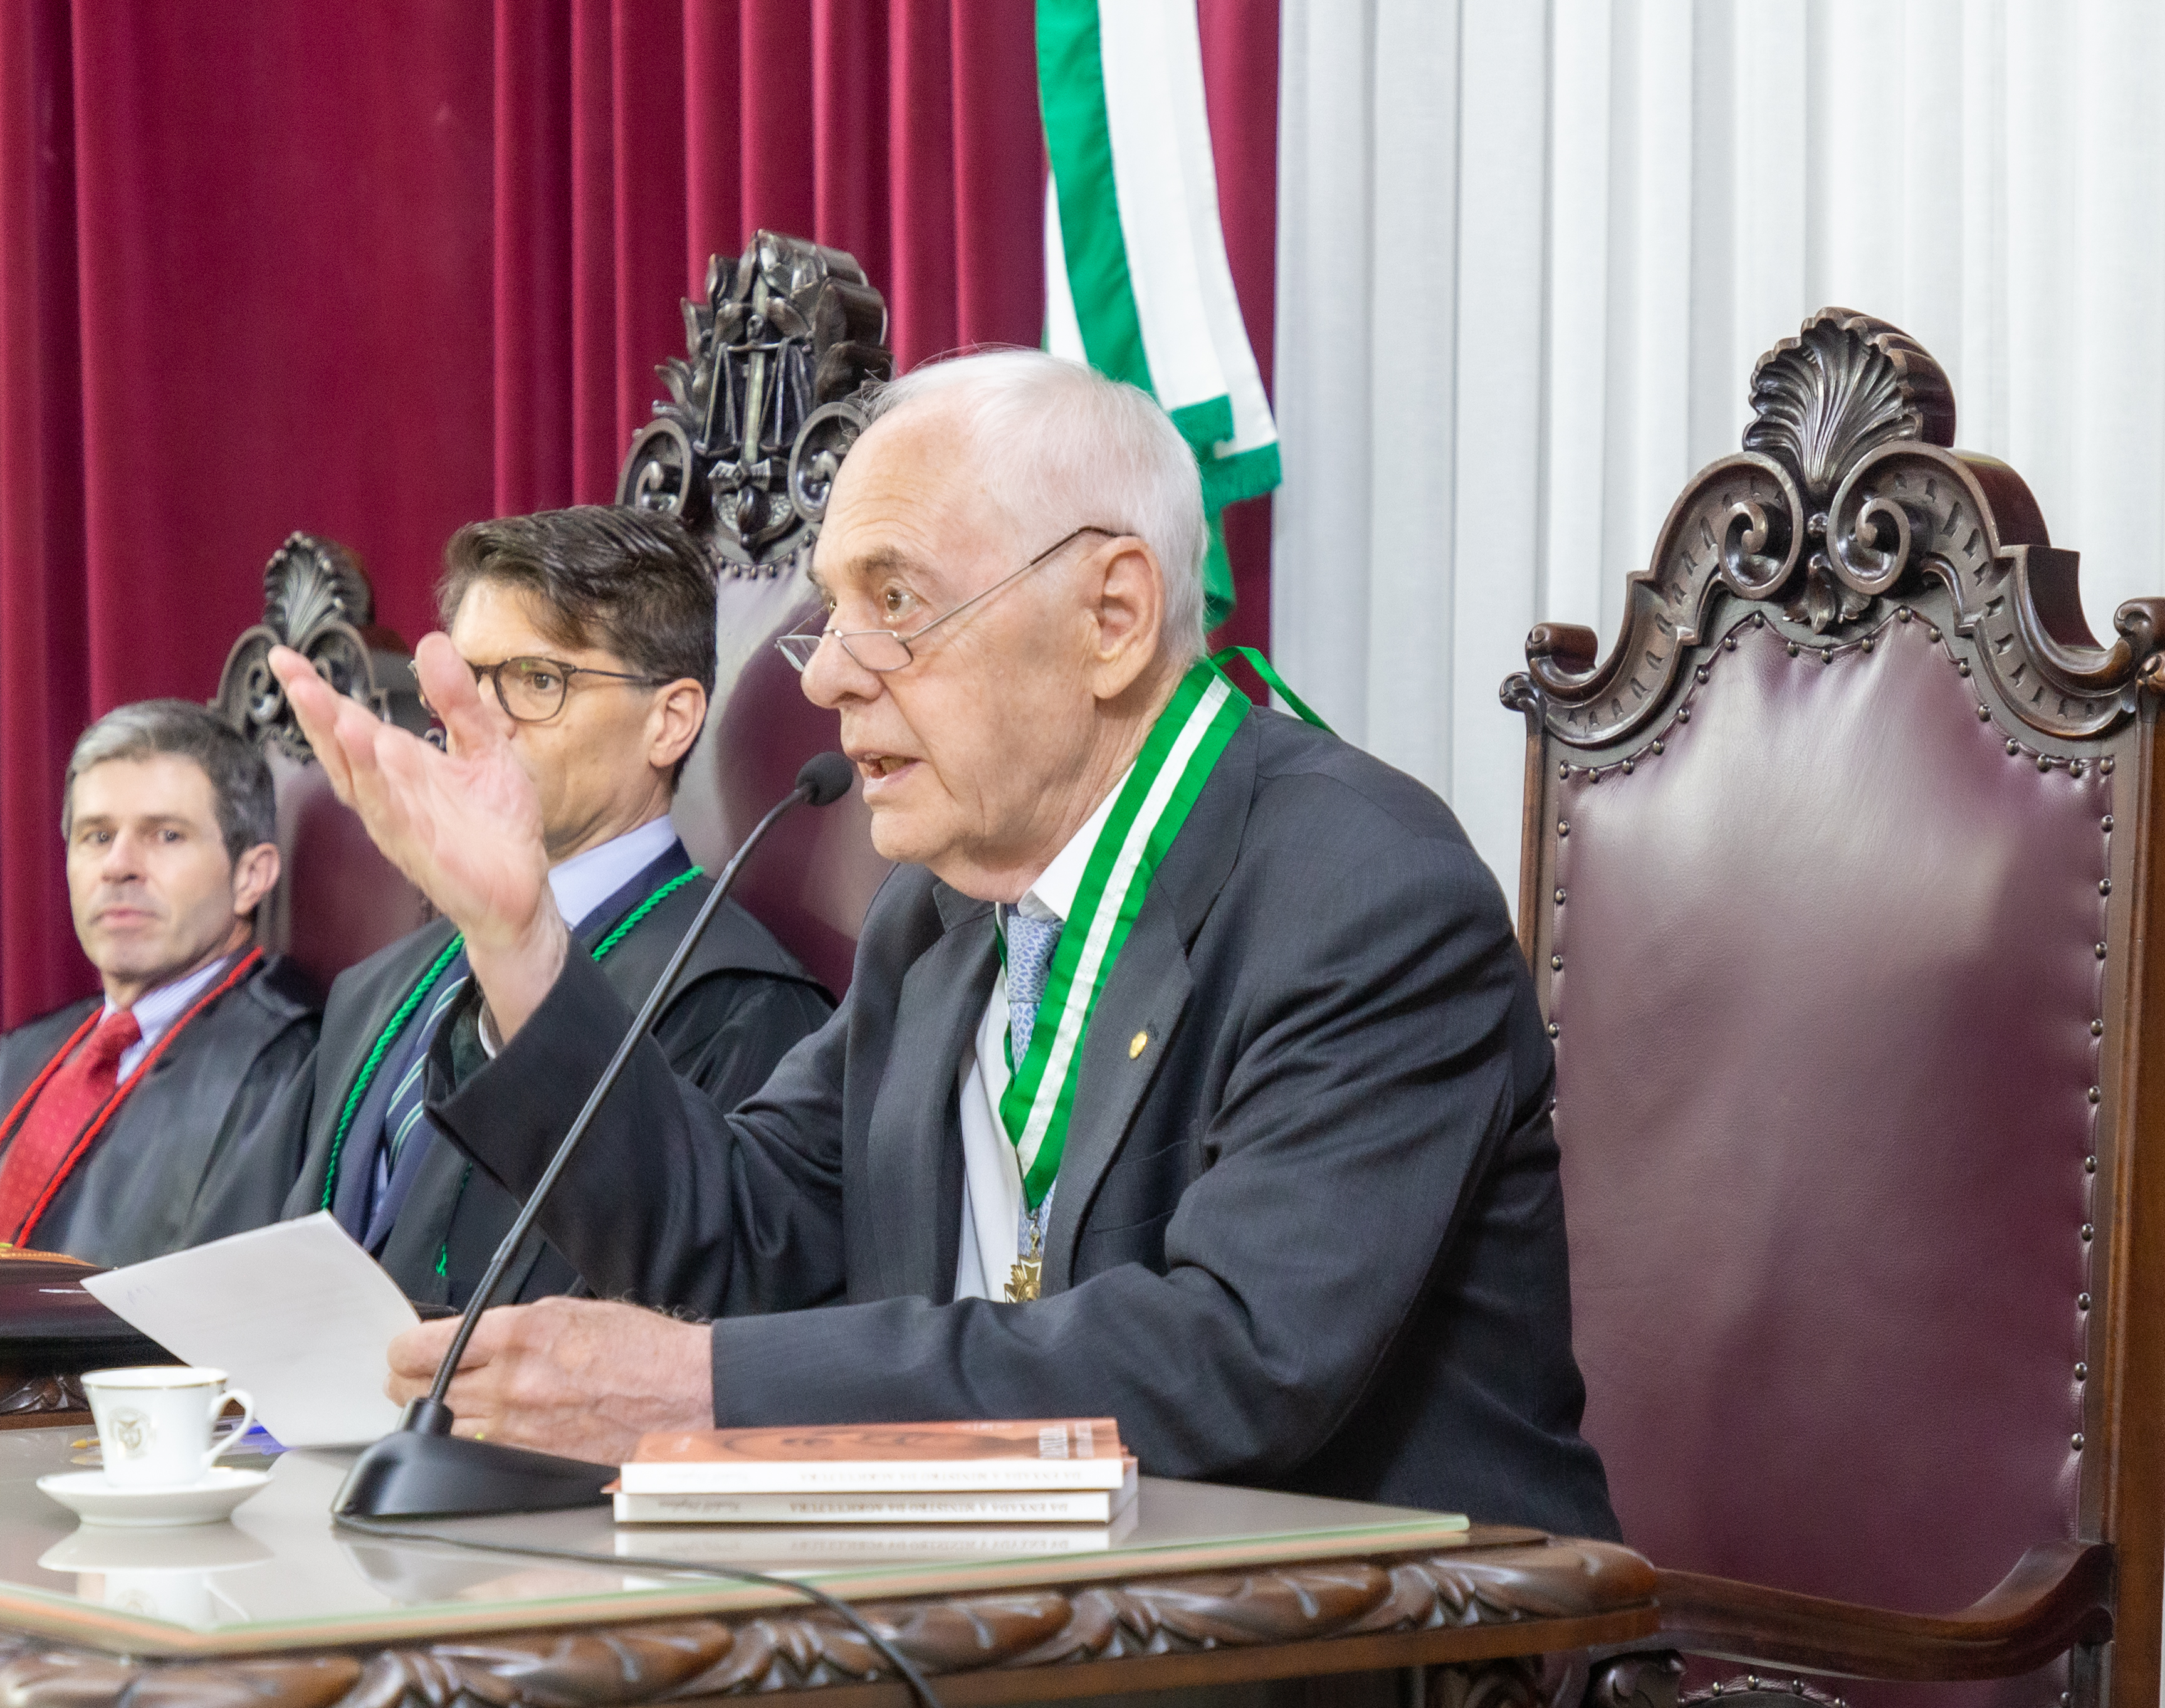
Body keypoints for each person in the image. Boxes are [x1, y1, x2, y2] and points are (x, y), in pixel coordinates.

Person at [274, 352, 1617, 1537]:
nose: (824, 673)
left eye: (895, 600)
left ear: (1112, 617)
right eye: (830, 608)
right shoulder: (942, 912)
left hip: (1368, 1640)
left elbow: (1233, 1361)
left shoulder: (1356, 885)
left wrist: (701, 1391)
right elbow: (740, 1238)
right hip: (994, 1615)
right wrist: (515, 937)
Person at [268, 508, 835, 1307]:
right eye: (466, 683)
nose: (483, 721)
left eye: (538, 681)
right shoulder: (376, 990)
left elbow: (705, 1311)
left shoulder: (739, 1002)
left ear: (669, 721)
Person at [0, 701, 320, 1266]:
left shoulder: (290, 1073)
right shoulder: (22, 1052)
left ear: (251, 876)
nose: (119, 865)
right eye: (96, 836)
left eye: (166, 835)